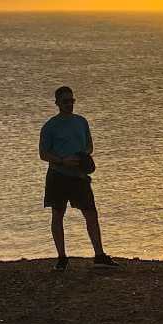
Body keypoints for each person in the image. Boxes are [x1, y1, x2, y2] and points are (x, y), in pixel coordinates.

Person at [38, 86, 117, 271]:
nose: (69, 104)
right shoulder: (50, 126)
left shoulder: (81, 122)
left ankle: (99, 255)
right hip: (58, 176)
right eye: (65, 101)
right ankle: (62, 257)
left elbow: (89, 145)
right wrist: (63, 160)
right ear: (57, 103)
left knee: (91, 213)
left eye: (71, 101)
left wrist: (82, 157)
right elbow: (43, 154)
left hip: (79, 176)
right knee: (57, 214)